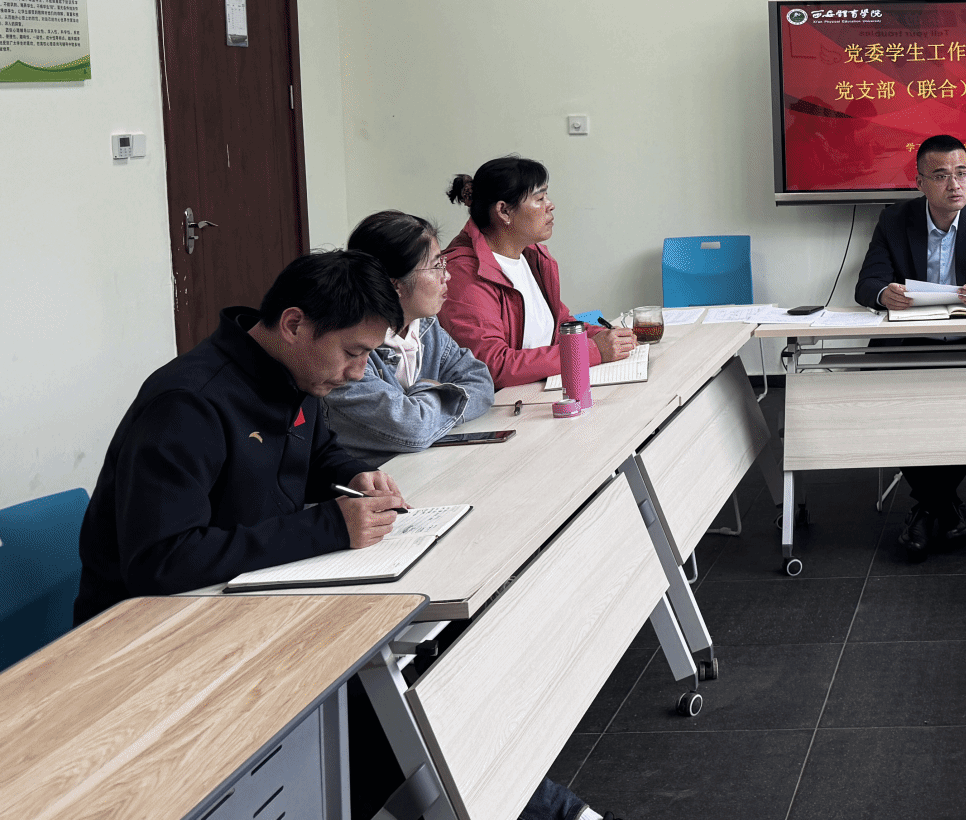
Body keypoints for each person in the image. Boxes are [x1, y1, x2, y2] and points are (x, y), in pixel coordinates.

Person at [74, 251, 410, 623]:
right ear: (294, 325)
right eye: (352, 352)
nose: (358, 372)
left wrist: (354, 476)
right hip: (147, 627)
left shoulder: (298, 373)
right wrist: (330, 527)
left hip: (247, 598)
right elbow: (162, 560)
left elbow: (314, 454)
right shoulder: (189, 403)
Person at [854, 133, 966, 557]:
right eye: (942, 175)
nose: (955, 185)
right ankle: (943, 505)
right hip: (912, 341)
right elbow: (867, 283)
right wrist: (884, 294)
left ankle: (928, 507)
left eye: (962, 173)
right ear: (920, 183)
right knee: (882, 400)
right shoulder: (894, 220)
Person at [439, 156, 635, 389]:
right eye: (540, 198)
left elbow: (559, 324)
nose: (550, 205)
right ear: (504, 211)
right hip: (503, 403)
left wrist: (604, 336)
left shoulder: (530, 254)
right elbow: (492, 366)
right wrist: (590, 350)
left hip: (538, 389)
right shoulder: (462, 273)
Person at [324, 210, 498, 458]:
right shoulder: (349, 350)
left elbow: (481, 381)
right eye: (436, 266)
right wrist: (430, 390)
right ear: (395, 285)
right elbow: (411, 427)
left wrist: (417, 407)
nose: (447, 275)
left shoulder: (426, 326)